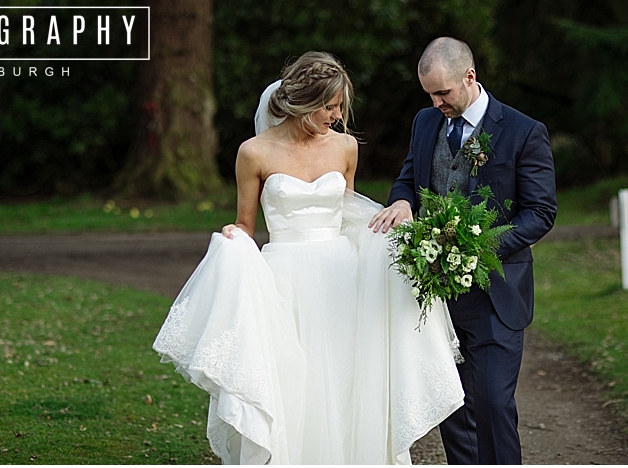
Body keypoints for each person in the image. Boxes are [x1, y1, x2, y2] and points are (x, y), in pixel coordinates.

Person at [154, 52, 463, 463]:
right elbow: (246, 223)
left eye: (340, 106)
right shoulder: (253, 153)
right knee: (294, 385)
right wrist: (235, 237)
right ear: (301, 102)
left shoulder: (345, 147)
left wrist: (392, 238)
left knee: (345, 382)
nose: (337, 115)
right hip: (286, 280)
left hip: (342, 279)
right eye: (329, 106)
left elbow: (349, 213)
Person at [371, 38, 557, 464]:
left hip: (497, 295)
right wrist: (401, 200)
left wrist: (480, 245)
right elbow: (409, 178)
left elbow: (541, 212)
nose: (437, 103)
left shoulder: (523, 131)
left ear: (469, 78)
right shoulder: (424, 122)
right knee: (452, 406)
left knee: (492, 404)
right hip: (436, 295)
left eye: (443, 93)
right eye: (430, 95)